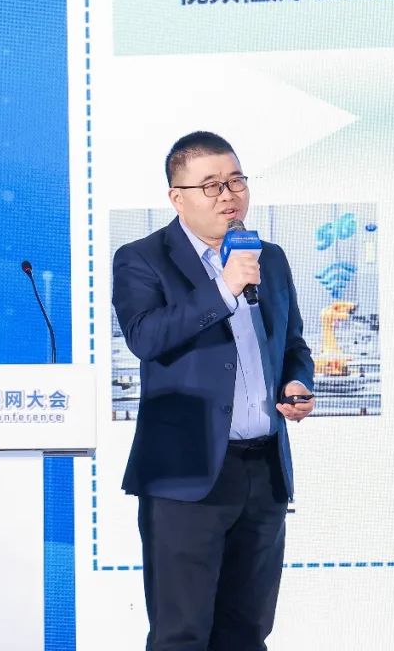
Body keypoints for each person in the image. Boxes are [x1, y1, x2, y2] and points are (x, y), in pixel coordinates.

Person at [112, 131, 316, 650]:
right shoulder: (142, 259)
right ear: (177, 197)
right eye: (211, 185)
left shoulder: (269, 258)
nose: (228, 195)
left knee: (247, 633)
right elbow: (146, 337)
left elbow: (292, 344)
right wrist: (224, 286)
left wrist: (297, 381)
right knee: (181, 635)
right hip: (186, 475)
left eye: (236, 181)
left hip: (263, 470)